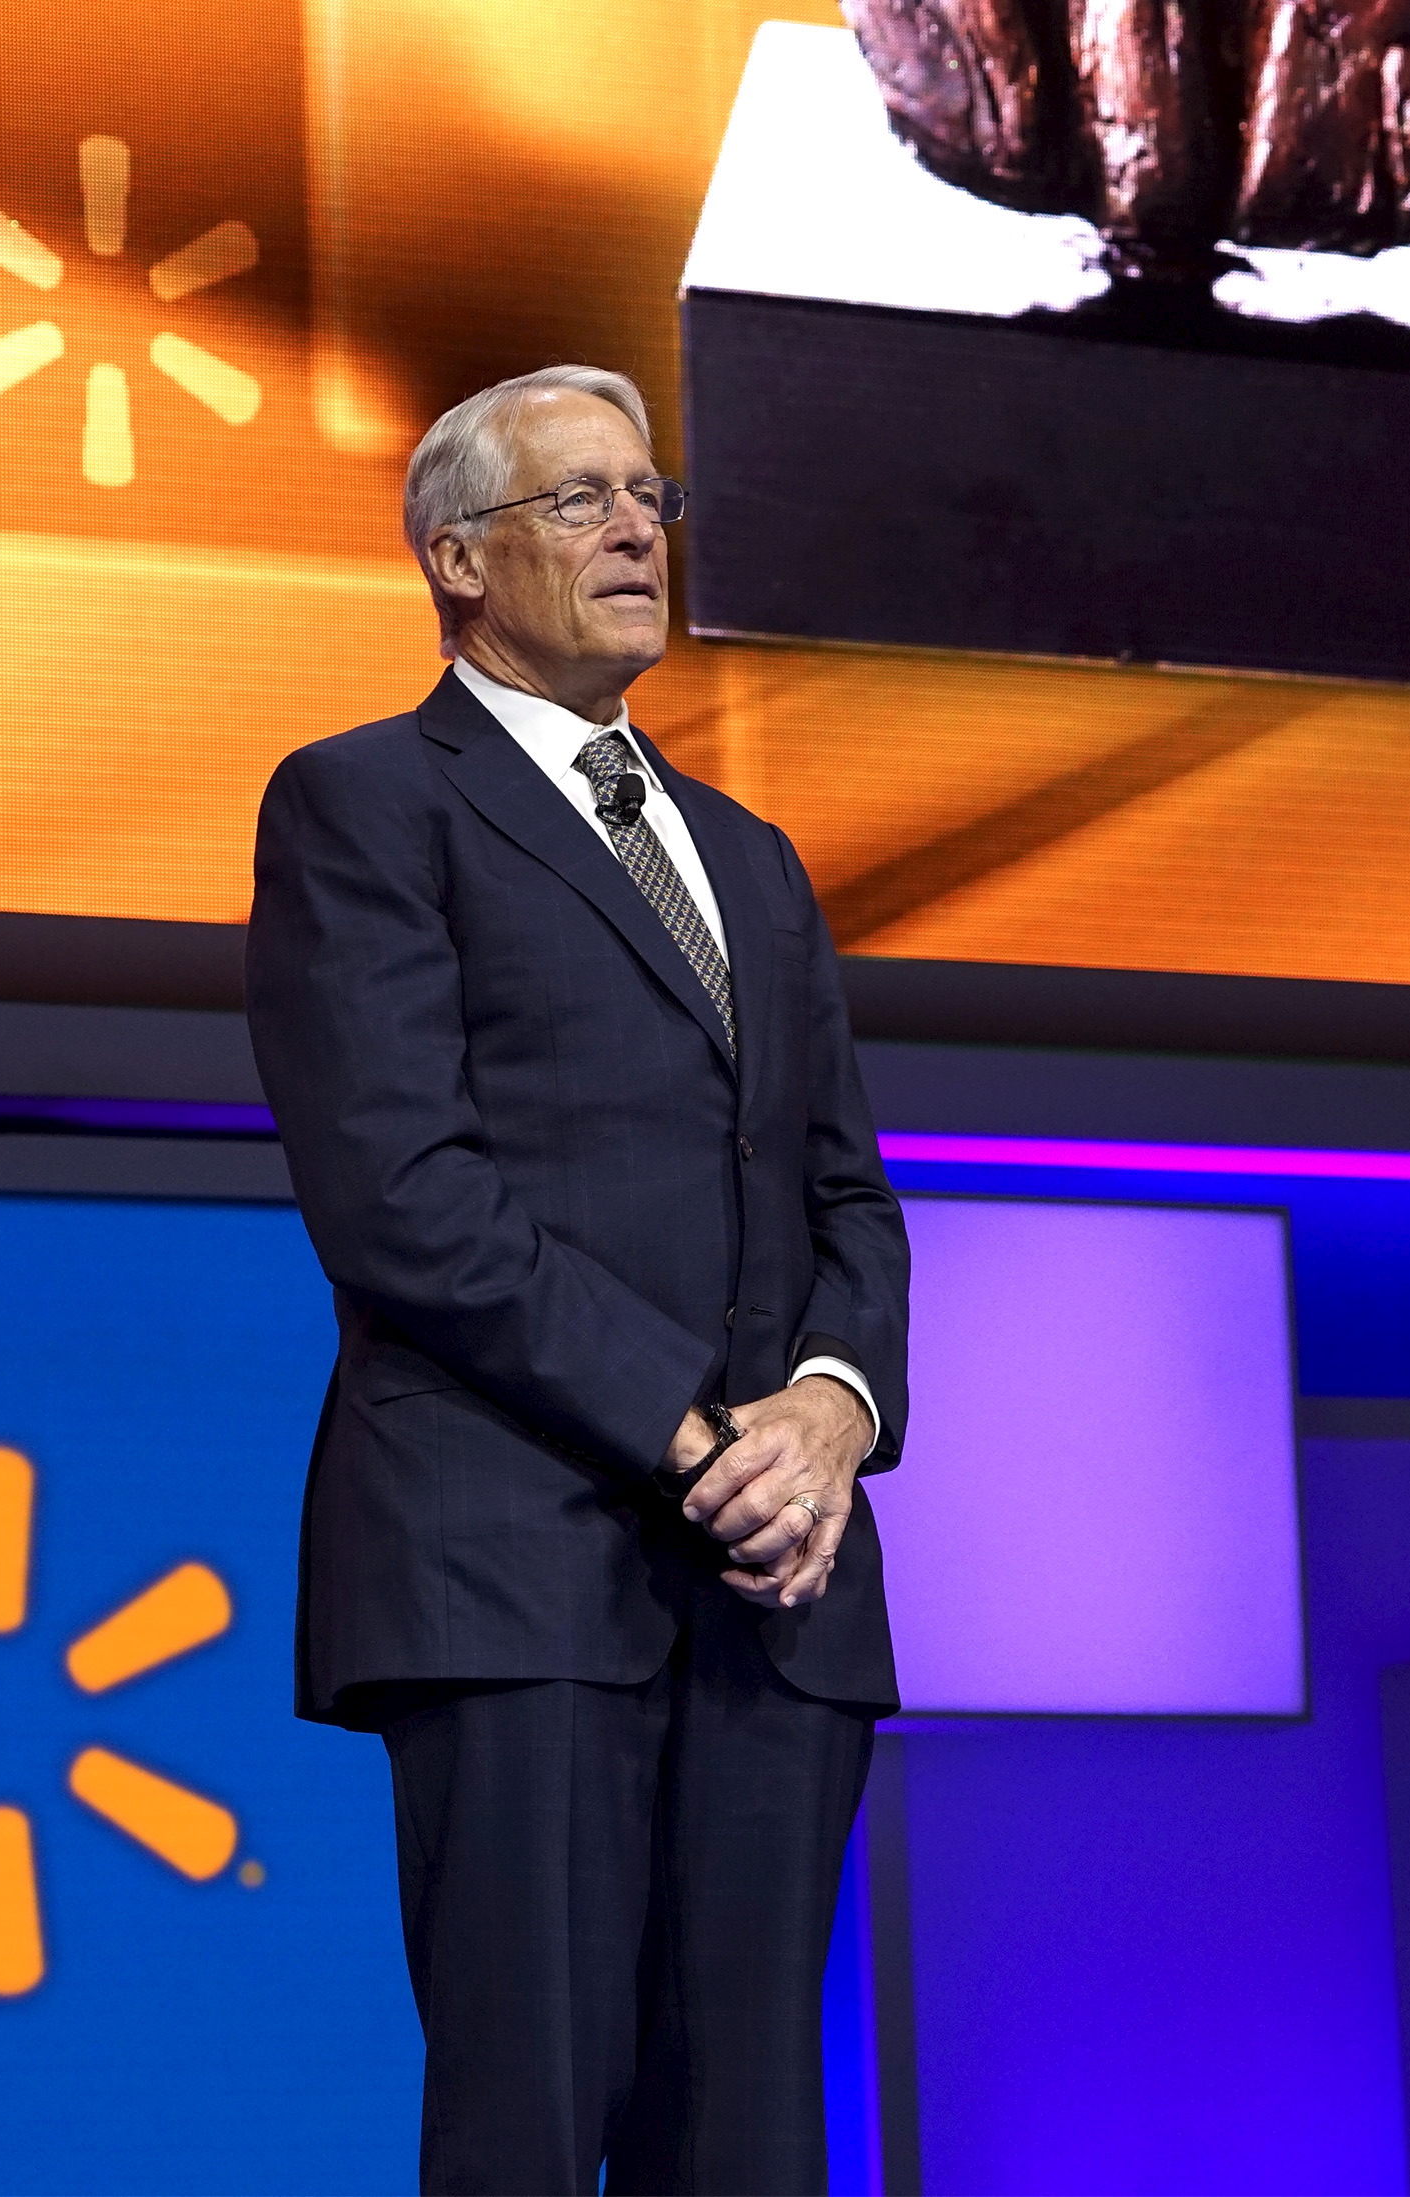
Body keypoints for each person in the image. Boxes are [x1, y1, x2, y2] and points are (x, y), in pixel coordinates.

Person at [244, 365, 912, 2193]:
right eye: (580, 501)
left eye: (650, 499)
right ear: (456, 560)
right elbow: (403, 1195)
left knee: (756, 2141)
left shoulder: (753, 857)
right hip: (510, 1562)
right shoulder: (368, 803)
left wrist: (828, 1416)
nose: (637, 529)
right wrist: (699, 1436)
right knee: (531, 2130)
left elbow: (845, 1189)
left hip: (776, 1591)